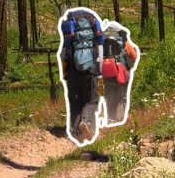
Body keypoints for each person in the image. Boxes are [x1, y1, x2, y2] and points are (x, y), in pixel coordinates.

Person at [58, 8, 104, 143]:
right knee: (93, 99)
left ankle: (75, 133)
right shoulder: (95, 24)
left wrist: (64, 72)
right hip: (92, 69)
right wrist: (100, 71)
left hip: (72, 69)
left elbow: (63, 52)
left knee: (74, 100)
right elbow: (101, 49)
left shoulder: (68, 26)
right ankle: (86, 122)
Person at [98, 23, 139, 125]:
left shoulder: (101, 42)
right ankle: (120, 119)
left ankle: (110, 119)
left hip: (106, 74)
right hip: (121, 73)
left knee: (109, 96)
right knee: (122, 97)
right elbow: (134, 56)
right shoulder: (124, 41)